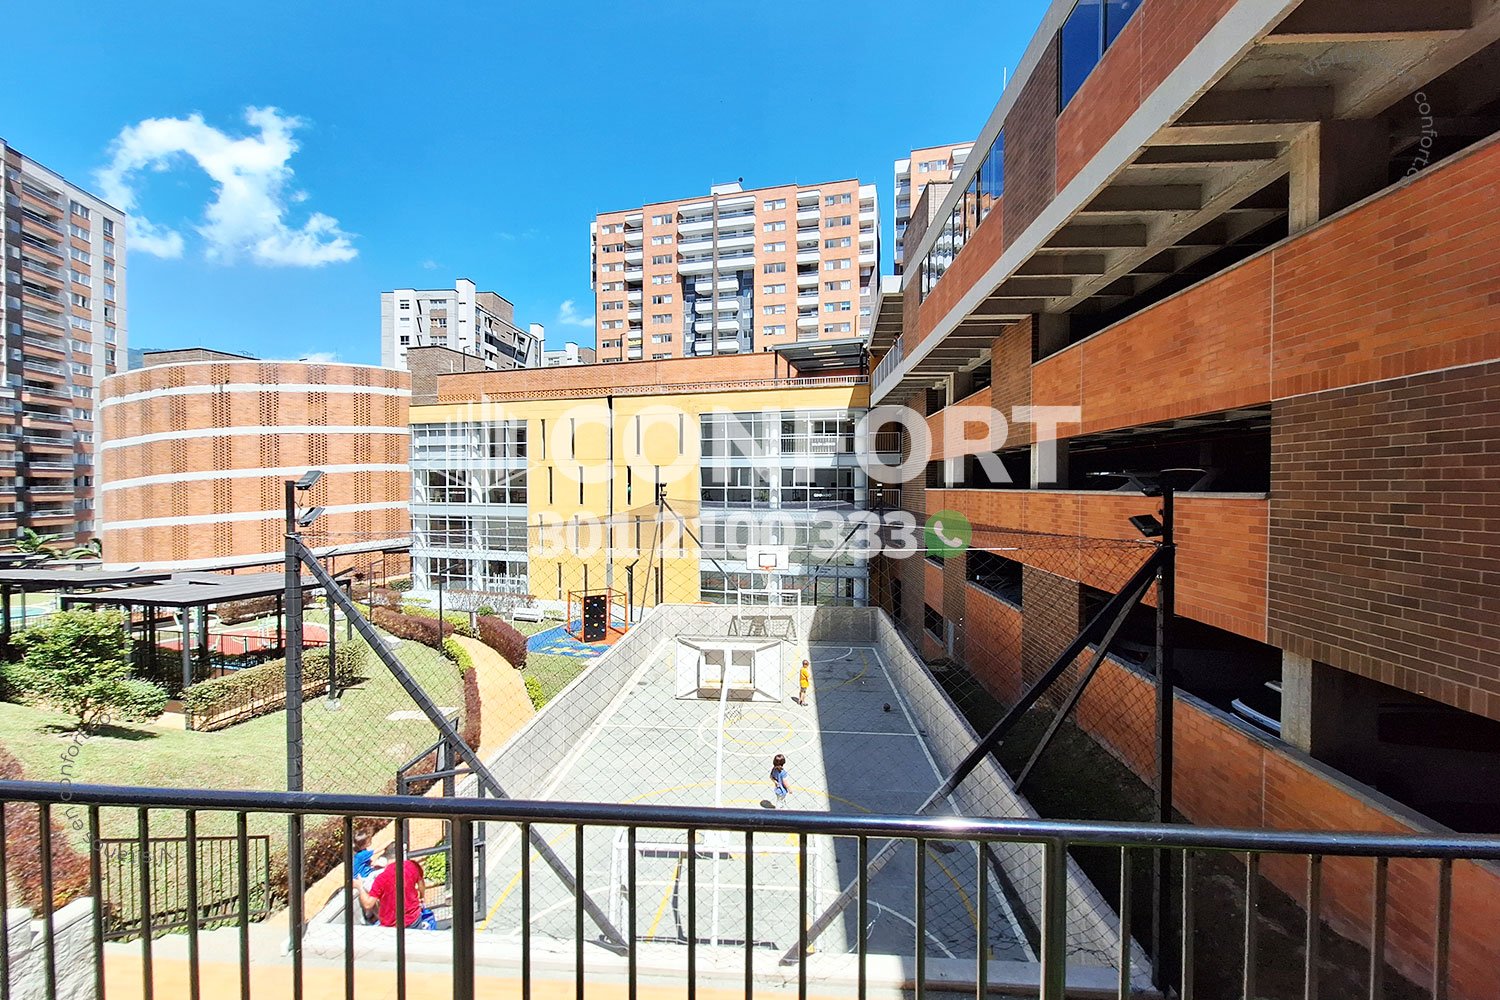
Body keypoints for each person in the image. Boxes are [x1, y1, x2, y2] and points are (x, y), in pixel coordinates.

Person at [354, 844, 436, 929]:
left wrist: (360, 887)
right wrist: (421, 897)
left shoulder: (381, 878)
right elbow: (421, 883)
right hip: (414, 919)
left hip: (392, 926)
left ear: (385, 857)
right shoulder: (412, 865)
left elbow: (368, 904)